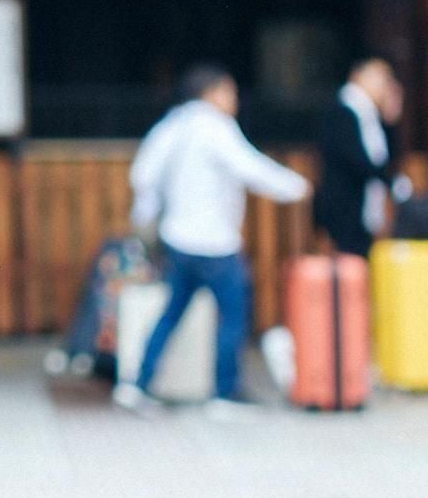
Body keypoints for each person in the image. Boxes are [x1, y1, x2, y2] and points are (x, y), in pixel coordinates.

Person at [114, 65, 312, 415]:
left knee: (171, 313)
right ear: (213, 93)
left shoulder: (173, 125)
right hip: (214, 243)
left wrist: (145, 216)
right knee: (234, 314)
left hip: (177, 237)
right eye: (230, 92)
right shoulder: (215, 128)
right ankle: (224, 392)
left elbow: (142, 173)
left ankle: (136, 385)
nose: (234, 100)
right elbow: (249, 167)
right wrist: (294, 186)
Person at [314, 57, 407, 258]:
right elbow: (358, 161)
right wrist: (390, 181)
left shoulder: (372, 116)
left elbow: (385, 160)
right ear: (357, 76)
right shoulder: (343, 111)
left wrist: (391, 119)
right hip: (345, 208)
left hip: (365, 209)